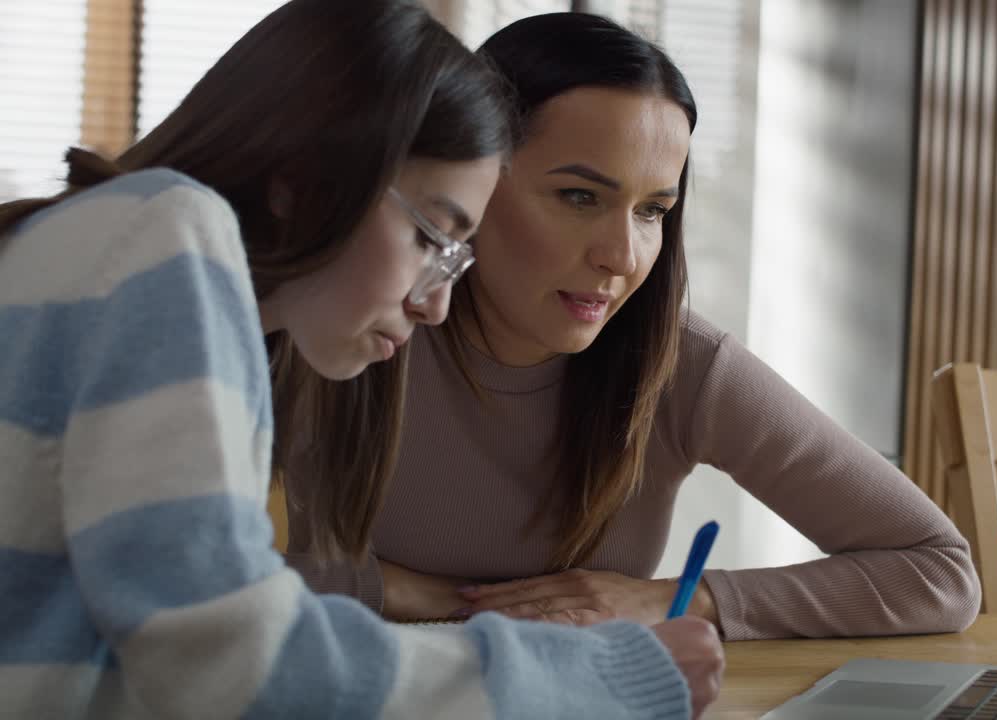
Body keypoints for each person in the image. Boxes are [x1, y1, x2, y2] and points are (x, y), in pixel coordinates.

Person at [0, 1, 723, 718]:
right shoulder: (168, 241)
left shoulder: (81, 242)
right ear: (307, 185)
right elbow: (237, 669)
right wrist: (608, 675)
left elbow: (147, 661)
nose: (434, 302)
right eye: (430, 237)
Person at [282, 11, 981, 642]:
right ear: (473, 178)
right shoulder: (349, 321)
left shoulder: (681, 362)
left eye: (653, 211)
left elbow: (940, 572)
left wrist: (681, 599)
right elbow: (193, 563)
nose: (621, 256)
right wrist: (425, 594)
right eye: (579, 196)